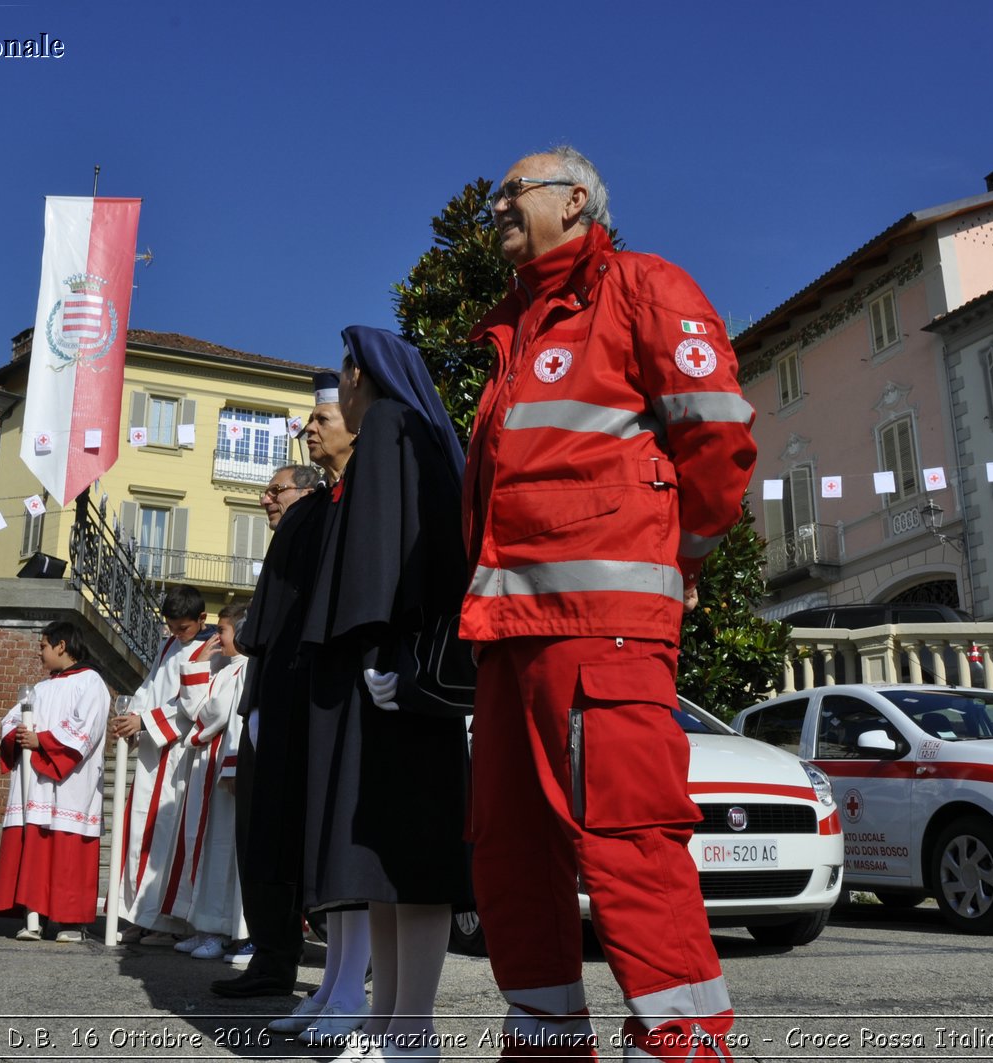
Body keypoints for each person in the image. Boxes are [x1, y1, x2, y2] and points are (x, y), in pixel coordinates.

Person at [463, 147, 756, 1062]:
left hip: (602, 628)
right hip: (510, 633)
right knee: (509, 850)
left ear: (576, 199)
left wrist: (686, 552)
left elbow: (719, 433)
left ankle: (683, 1043)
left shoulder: (639, 285)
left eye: (513, 190)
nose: (497, 205)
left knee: (629, 840)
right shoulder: (513, 326)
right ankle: (545, 1039)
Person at [299, 326, 473, 1061]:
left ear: (363, 377)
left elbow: (391, 557)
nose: (338, 389)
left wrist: (382, 647)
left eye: (343, 374)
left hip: (395, 674)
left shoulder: (393, 428)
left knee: (410, 857)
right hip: (399, 670)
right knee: (385, 861)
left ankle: (411, 1028)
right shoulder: (412, 432)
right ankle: (389, 1022)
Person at [217, 390, 364, 1005]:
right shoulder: (310, 515)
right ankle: (275, 956)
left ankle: (330, 967)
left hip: (299, 689)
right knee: (262, 830)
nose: (265, 501)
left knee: (292, 828)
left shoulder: (329, 511)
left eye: (275, 493)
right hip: (270, 688)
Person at [108, 583, 214, 945]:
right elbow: (150, 687)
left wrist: (146, 722)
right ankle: (139, 916)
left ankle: (169, 924)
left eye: (183, 627)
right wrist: (132, 715)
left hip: (180, 758)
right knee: (141, 833)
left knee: (168, 838)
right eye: (171, 626)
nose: (176, 633)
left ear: (202, 619)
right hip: (153, 756)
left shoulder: (209, 650)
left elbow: (193, 704)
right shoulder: (169, 644)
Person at [0, 621, 110, 943]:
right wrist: (17, 736)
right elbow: (11, 720)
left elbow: (86, 730)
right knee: (37, 849)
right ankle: (36, 916)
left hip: (72, 784)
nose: (39, 653)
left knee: (68, 851)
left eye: (43, 646)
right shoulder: (40, 689)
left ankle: (71, 921)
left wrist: (40, 740)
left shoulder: (92, 683)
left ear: (62, 645)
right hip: (37, 786)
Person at [169, 602, 250, 958]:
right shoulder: (224, 669)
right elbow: (195, 708)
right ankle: (206, 927)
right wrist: (201, 661)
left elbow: (227, 719)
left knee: (226, 855)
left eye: (223, 631)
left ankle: (230, 932)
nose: (217, 637)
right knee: (207, 852)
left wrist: (233, 767)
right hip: (209, 767)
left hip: (227, 771)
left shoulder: (246, 669)